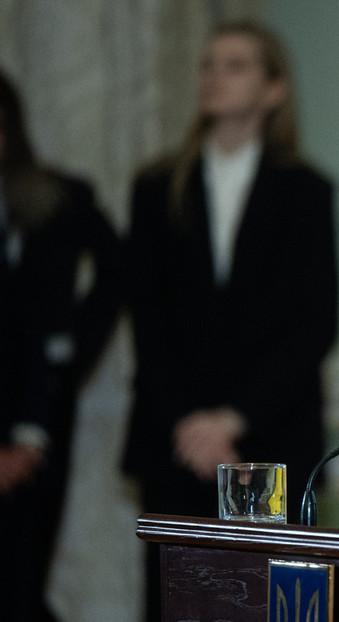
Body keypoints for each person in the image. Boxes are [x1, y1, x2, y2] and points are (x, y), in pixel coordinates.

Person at [123, 20, 338, 620]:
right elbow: (147, 317)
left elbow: (316, 322)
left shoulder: (305, 191)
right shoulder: (156, 187)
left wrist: (233, 419)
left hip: (268, 438)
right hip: (175, 439)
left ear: (273, 90)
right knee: (178, 601)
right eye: (208, 64)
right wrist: (193, 424)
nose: (214, 76)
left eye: (236, 65)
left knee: (266, 602)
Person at [0, 69, 123, 621]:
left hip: (39, 415)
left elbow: (119, 268)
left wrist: (75, 351)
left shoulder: (56, 199)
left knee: (23, 585)